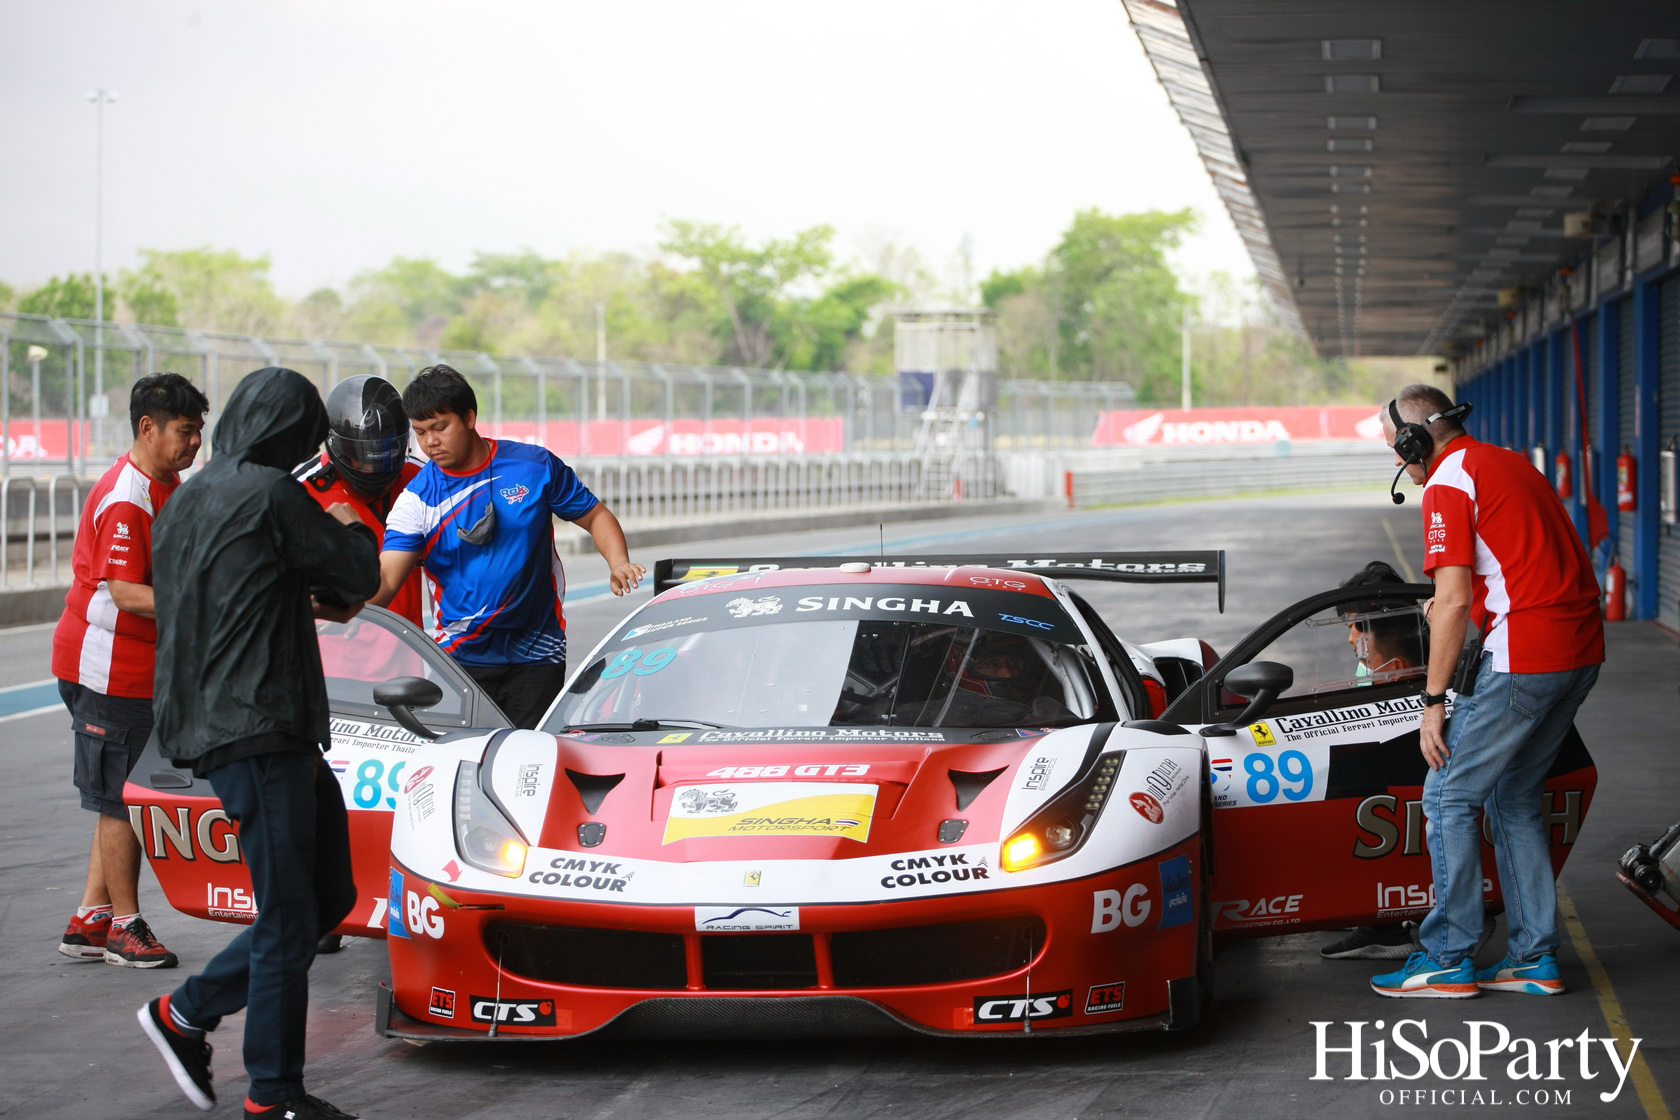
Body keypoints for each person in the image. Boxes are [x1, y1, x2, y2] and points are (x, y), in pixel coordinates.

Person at [137, 367, 379, 1120]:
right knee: (286, 917)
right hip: (260, 727)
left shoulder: (185, 504)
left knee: (326, 897)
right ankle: (273, 1095)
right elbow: (360, 571)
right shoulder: (275, 494)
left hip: (237, 726)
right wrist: (345, 508)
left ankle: (186, 1013)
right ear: (291, 434)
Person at [1370, 383, 1602, 999]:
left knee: (1447, 794)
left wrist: (1433, 701)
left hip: (1526, 656)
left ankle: (1446, 956)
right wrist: (1454, 609)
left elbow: (1453, 600)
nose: (1400, 463)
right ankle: (1533, 958)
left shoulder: (1448, 483)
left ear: (1417, 439)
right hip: (1579, 654)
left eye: (1399, 449)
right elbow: (1513, 569)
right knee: (1516, 796)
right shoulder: (1509, 464)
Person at [372, 364, 645, 728]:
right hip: (459, 661)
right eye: (420, 432)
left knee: (526, 765)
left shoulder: (533, 467)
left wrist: (618, 562)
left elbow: (594, 515)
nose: (430, 442)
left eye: (440, 427)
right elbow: (387, 579)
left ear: (469, 417)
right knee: (468, 765)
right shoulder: (417, 500)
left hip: (537, 655)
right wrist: (339, 610)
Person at [52, 372, 207, 968]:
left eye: (198, 433)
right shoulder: (128, 496)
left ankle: (90, 917)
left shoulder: (168, 482)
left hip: (144, 667)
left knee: (121, 793)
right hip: (109, 669)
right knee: (123, 800)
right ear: (148, 428)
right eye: (185, 432)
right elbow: (126, 592)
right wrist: (208, 608)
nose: (194, 444)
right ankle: (124, 925)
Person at [1320, 560, 1425, 960]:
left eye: (1354, 627)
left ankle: (1386, 926)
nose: (1350, 639)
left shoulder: (1394, 669)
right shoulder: (1378, 662)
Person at [294, 374, 425, 627]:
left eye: (385, 454)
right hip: (331, 656)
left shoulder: (422, 480)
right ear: (335, 444)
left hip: (408, 653)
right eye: (359, 457)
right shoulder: (300, 489)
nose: (370, 468)